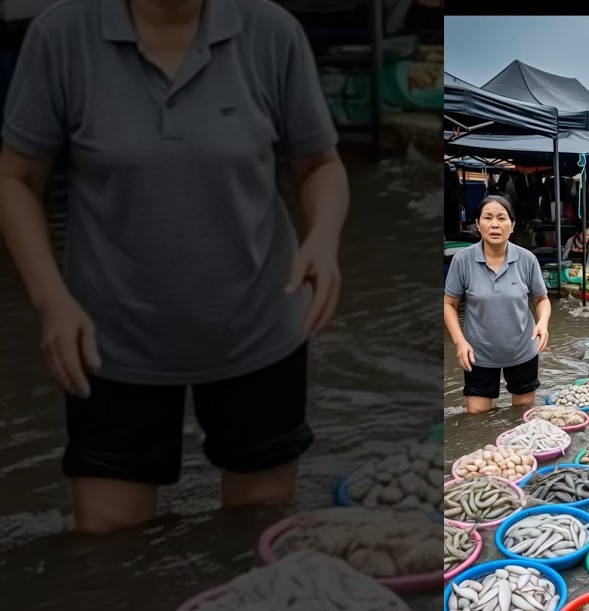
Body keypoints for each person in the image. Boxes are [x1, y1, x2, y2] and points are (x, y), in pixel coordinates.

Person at [0, 0, 349, 534]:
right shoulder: (62, 35)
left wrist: (322, 241)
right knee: (109, 550)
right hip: (109, 339)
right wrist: (51, 300)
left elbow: (319, 164)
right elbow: (17, 179)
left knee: (256, 532)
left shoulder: (270, 32)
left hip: (257, 329)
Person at [444, 196, 551, 414]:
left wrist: (543, 323)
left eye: (502, 218)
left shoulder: (526, 259)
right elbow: (448, 304)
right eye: (488, 218)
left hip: (522, 350)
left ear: (512, 226)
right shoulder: (462, 260)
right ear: (477, 224)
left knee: (522, 416)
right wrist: (459, 342)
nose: (494, 224)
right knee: (476, 420)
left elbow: (541, 299)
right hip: (477, 354)